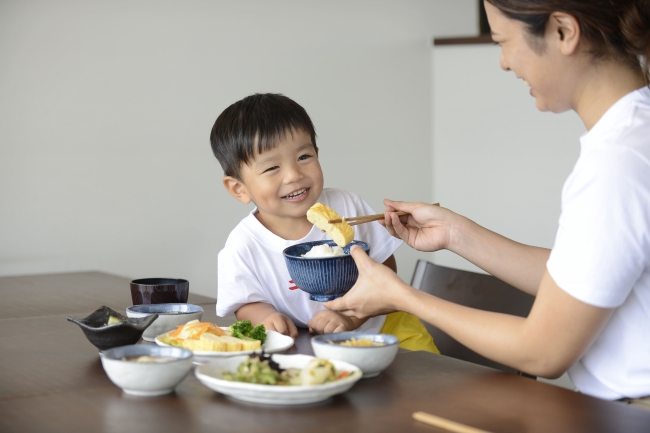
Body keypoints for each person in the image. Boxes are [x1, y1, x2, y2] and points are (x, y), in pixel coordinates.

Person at [325, 0, 650, 407]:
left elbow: (542, 352)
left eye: (504, 41)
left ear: (563, 31)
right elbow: (583, 278)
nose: (503, 62)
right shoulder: (633, 137)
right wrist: (456, 234)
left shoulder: (619, 161)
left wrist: (402, 296)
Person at [209, 93, 438, 353]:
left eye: (304, 157)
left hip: (385, 328)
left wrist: (351, 318)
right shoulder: (243, 244)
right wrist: (264, 318)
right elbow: (245, 302)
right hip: (308, 344)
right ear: (239, 189)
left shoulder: (346, 205)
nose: (294, 175)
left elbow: (385, 271)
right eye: (272, 168)